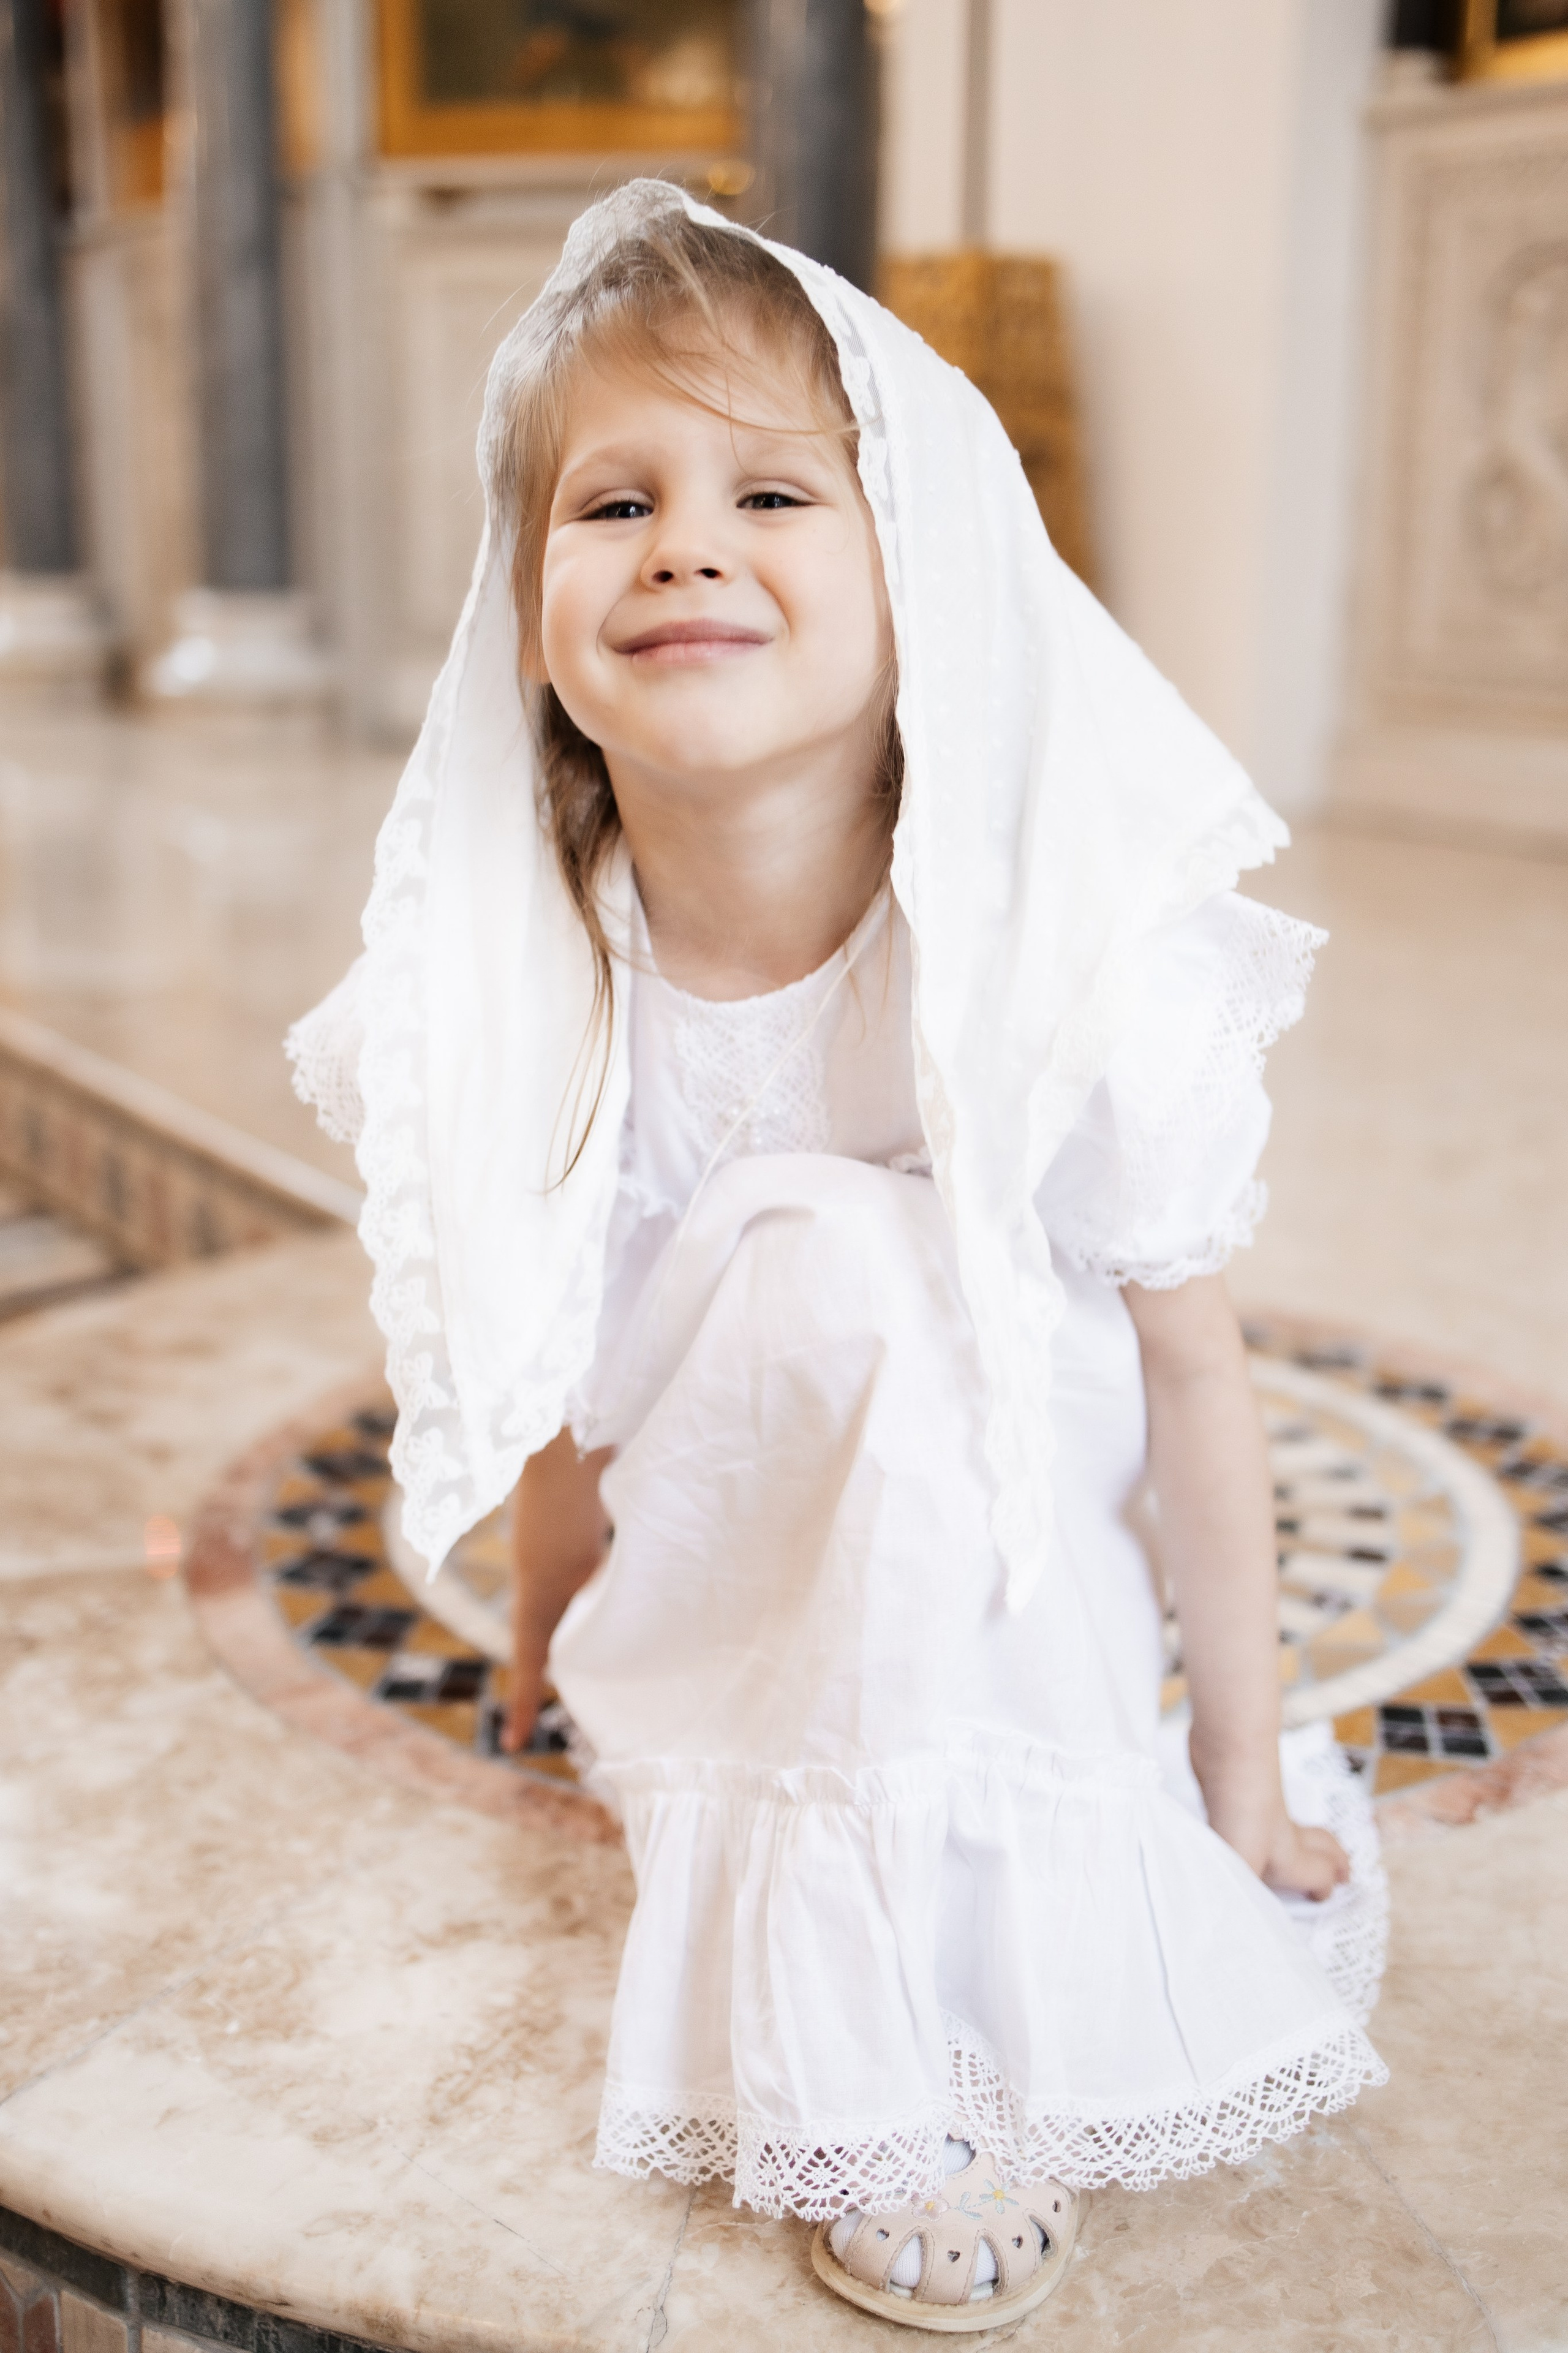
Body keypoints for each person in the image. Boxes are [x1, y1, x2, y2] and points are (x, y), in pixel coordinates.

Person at [289, 181, 1387, 2332]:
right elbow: (569, 1348)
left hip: (1005, 1543)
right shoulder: (544, 975)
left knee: (843, 1249)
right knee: (793, 1257)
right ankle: (812, 1924)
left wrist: (1236, 1770)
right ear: (530, 616)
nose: (687, 542)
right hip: (732, 1545)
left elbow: (1189, 1375)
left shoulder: (1055, 953)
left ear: (926, 584)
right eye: (616, 501)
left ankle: (923, 2039)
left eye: (773, 490)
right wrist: (549, 1627)